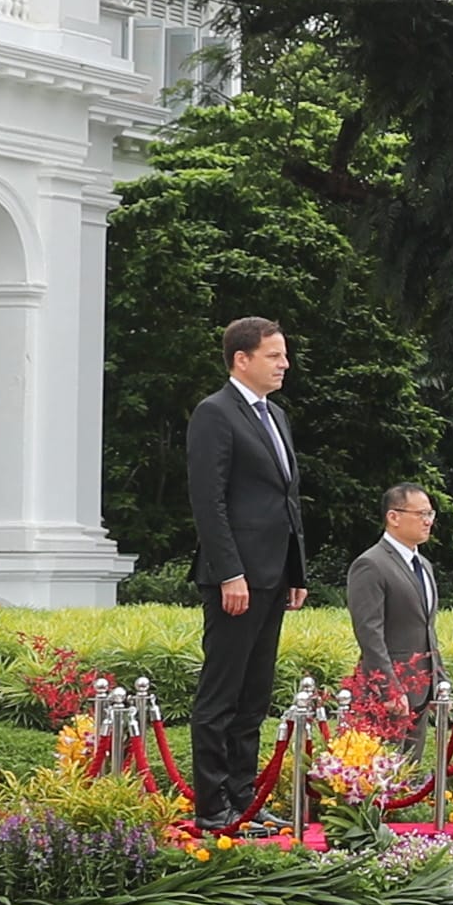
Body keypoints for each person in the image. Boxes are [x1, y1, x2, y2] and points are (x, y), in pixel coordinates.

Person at [187, 318, 305, 828]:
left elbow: (286, 498)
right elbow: (208, 502)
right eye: (274, 355)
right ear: (242, 359)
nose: (284, 364)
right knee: (222, 695)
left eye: (283, 355)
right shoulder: (215, 414)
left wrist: (296, 570)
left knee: (254, 696)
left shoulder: (275, 415)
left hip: (273, 576)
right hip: (235, 579)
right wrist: (230, 572)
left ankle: (244, 801)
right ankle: (213, 806)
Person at [351, 484, 445, 682]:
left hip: (426, 688)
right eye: (421, 514)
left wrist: (440, 682)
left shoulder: (424, 565)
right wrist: (388, 688)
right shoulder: (371, 564)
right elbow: (370, 634)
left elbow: (427, 630)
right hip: (390, 690)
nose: (428, 521)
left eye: (430, 514)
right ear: (393, 517)